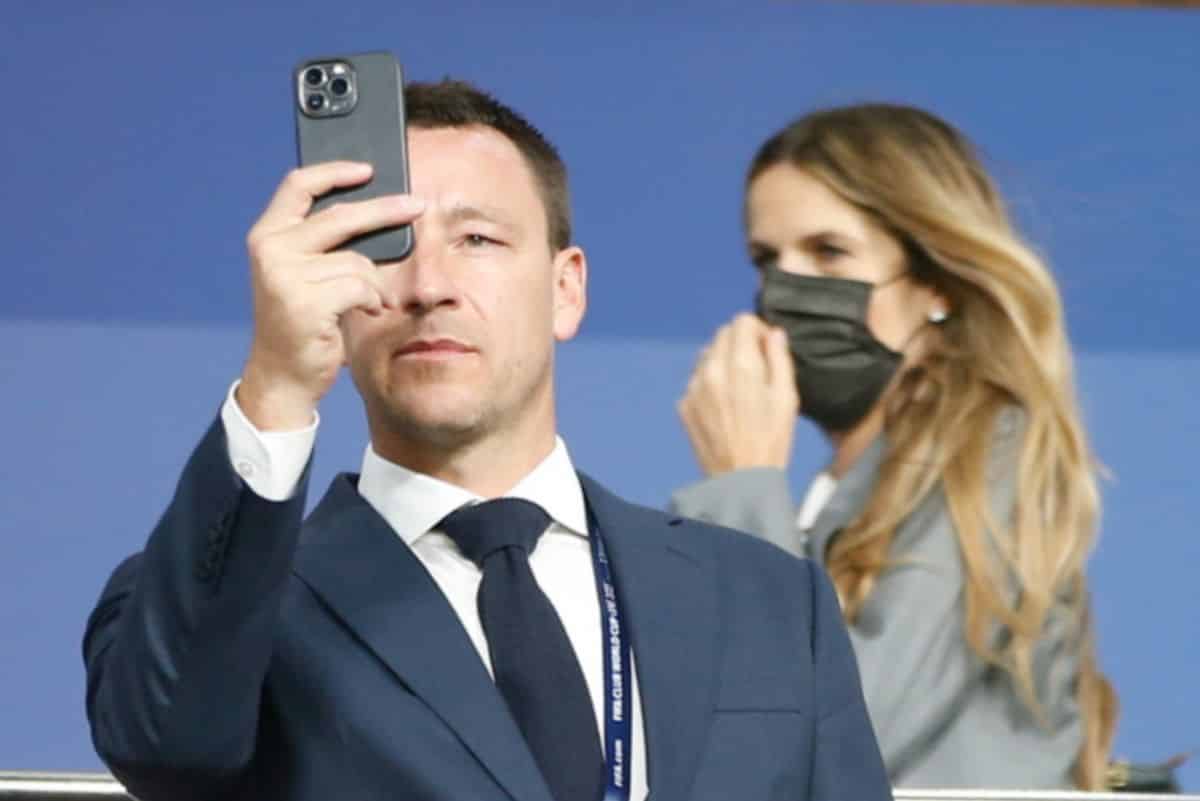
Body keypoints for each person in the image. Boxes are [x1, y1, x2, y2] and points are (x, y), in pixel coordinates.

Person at [82, 80, 890, 801]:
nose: (429, 286)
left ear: (566, 288)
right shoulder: (230, 606)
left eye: (476, 240)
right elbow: (165, 752)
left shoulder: (771, 599)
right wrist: (277, 385)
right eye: (385, 245)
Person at [671, 103, 1117, 790]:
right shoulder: (834, 496)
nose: (786, 291)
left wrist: (739, 488)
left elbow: (841, 737)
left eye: (828, 252)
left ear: (935, 281)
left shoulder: (990, 455)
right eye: (767, 260)